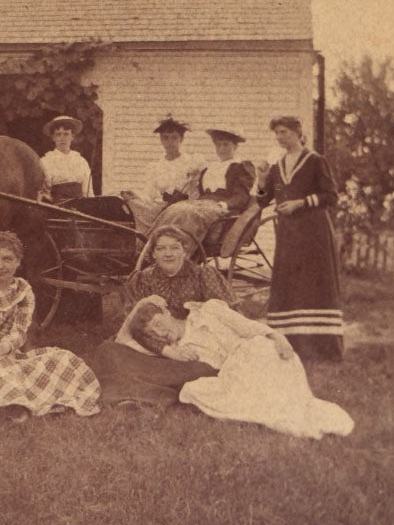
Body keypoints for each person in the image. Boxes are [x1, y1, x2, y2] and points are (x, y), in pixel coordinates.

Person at [121, 296, 354, 439]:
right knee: (193, 389)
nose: (161, 332)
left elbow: (246, 326)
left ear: (167, 312)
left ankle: (284, 410)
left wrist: (277, 336)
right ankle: (273, 408)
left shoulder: (208, 311)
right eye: (154, 332)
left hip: (257, 351)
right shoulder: (181, 350)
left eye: (160, 323)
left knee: (281, 400)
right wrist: (139, 308)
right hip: (234, 371)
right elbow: (123, 340)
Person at [0, 231, 101, 417]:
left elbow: (19, 331)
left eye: (7, 259)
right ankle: (13, 404)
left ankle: (16, 400)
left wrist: (3, 347)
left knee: (63, 359)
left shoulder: (23, 291)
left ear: (18, 262)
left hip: (7, 351)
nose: (0, 266)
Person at [87, 225, 232, 406]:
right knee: (106, 351)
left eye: (174, 247)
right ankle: (146, 393)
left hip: (190, 349)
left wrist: (191, 320)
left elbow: (227, 314)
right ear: (153, 254)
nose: (168, 254)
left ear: (185, 252)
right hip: (149, 348)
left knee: (203, 369)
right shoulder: (143, 279)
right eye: (161, 248)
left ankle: (148, 393)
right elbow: (133, 325)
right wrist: (143, 305)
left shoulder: (203, 275)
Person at [255, 115, 344, 360]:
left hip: (313, 233)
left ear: (297, 132)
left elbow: (331, 196)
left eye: (284, 132)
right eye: (277, 133)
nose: (280, 137)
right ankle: (291, 347)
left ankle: (322, 349)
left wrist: (300, 203)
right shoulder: (277, 166)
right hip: (288, 235)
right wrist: (262, 179)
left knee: (313, 285)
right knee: (290, 285)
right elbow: (263, 200)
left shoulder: (315, 161)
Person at [149, 127, 255, 248]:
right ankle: (152, 246)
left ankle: (183, 251)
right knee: (174, 209)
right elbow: (198, 192)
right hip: (203, 204)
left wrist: (223, 204)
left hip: (223, 208)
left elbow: (241, 196)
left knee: (188, 213)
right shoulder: (210, 167)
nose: (222, 149)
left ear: (235, 147)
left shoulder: (240, 166)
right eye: (218, 145)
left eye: (226, 145)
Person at [120, 116, 206, 233]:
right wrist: (135, 194)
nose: (170, 142)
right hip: (164, 206)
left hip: (185, 207)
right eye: (166, 138)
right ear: (161, 140)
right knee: (132, 203)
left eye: (174, 138)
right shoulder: (155, 166)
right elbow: (149, 194)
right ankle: (146, 238)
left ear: (181, 139)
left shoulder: (192, 162)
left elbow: (196, 192)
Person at [39, 115, 93, 202]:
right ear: (53, 137)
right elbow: (45, 193)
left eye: (66, 134)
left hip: (81, 209)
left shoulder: (81, 161)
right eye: (58, 134)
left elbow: (88, 193)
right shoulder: (45, 161)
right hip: (56, 208)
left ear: (72, 137)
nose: (62, 138)